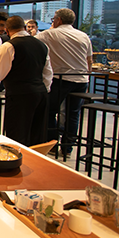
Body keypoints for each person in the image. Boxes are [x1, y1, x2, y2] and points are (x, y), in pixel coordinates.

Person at [0, 15, 53, 147]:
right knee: (36, 136)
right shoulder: (42, 45)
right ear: (24, 27)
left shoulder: (9, 46)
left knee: (16, 136)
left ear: (7, 30)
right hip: (41, 94)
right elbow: (48, 74)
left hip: (19, 95)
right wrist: (41, 90)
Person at [36, 8, 94, 155]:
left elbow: (31, 42)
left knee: (50, 111)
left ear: (59, 20)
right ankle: (67, 148)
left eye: (53, 19)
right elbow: (89, 61)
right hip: (81, 80)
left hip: (61, 79)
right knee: (73, 114)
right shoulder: (83, 36)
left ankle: (52, 144)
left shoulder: (50, 34)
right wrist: (87, 77)